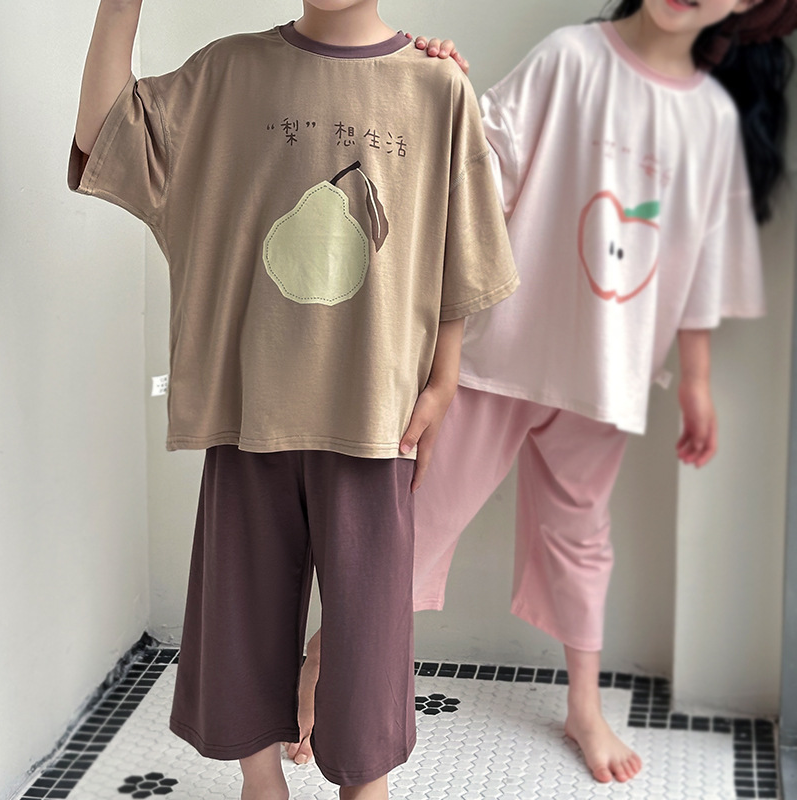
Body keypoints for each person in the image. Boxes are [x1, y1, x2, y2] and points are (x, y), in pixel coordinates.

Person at [288, 0, 797, 785]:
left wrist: (696, 383)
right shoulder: (571, 58)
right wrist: (439, 86)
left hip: (607, 375)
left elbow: (703, 265)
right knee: (412, 523)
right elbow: (478, 171)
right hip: (499, 352)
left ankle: (584, 708)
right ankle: (327, 659)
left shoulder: (710, 120)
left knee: (581, 538)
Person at [69, 1, 519, 798]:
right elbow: (105, 132)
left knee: (370, 635)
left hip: (377, 418)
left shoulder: (436, 87)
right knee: (241, 613)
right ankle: (259, 779)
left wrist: (444, 380)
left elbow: (463, 245)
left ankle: (365, 782)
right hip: (251, 408)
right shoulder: (228, 71)